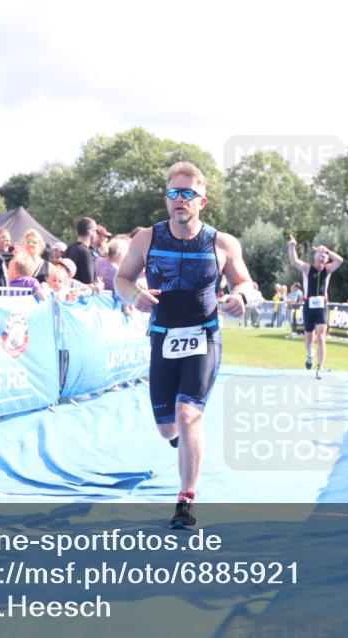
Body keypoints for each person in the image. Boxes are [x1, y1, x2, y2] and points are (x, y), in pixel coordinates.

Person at [115, 161, 260, 529]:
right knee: (168, 427)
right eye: (173, 193)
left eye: (188, 194)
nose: (180, 199)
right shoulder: (146, 238)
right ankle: (180, 442)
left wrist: (241, 298)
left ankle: (186, 500)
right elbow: (122, 279)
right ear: (166, 199)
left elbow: (246, 283)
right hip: (163, 338)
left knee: (188, 413)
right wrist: (134, 295)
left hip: (204, 337)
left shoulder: (222, 242)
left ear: (202, 201)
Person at [289, 235, 343, 379]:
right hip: (308, 305)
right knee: (308, 337)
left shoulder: (328, 270)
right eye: (319, 255)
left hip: (322, 306)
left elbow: (339, 260)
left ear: (326, 259)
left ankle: (320, 368)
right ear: (315, 257)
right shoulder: (307, 268)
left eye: (324, 256)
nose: (321, 258)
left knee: (321, 337)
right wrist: (292, 246)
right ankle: (309, 354)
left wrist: (327, 250)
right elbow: (294, 261)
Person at [66, 217, 101, 284]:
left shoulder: (69, 248)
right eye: (95, 231)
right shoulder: (85, 253)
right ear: (90, 232)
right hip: (81, 290)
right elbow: (89, 282)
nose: (97, 235)